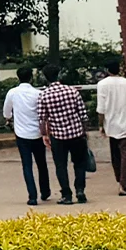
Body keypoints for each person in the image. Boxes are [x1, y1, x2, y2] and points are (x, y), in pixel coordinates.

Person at [36, 65, 90, 204]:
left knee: (61, 166)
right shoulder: (72, 91)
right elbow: (83, 113)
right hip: (77, 133)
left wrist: (44, 135)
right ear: (59, 75)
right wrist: (84, 131)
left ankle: (66, 194)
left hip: (58, 136)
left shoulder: (44, 95)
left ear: (45, 77)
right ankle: (80, 190)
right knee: (79, 163)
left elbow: (42, 118)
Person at [2, 67, 50, 206]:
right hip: (37, 133)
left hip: (22, 134)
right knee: (42, 163)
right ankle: (45, 191)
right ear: (31, 78)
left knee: (27, 165)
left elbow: (7, 112)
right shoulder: (38, 93)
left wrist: (9, 118)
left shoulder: (12, 93)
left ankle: (32, 196)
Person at [96, 60, 126, 195]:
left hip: (111, 125)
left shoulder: (102, 85)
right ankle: (124, 184)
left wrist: (101, 125)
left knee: (115, 155)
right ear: (120, 69)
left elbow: (101, 109)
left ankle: (119, 179)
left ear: (107, 70)